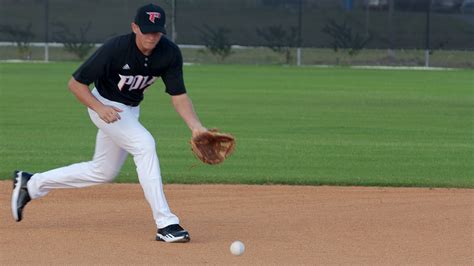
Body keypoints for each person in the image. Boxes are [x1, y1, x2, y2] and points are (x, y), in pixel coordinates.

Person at [11, 3, 207, 243]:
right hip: (104, 104)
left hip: (130, 112)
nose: (152, 36)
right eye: (146, 30)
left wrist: (195, 127)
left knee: (103, 171)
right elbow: (75, 84)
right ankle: (166, 223)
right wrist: (99, 107)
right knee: (145, 144)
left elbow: (179, 96)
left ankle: (31, 184)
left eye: (157, 31)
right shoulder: (115, 48)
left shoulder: (169, 53)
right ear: (135, 27)